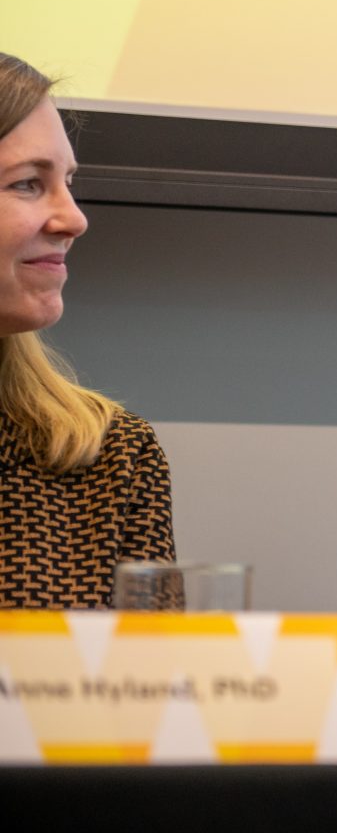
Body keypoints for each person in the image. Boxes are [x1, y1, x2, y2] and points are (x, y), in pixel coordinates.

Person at [0, 52, 174, 608]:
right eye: (28, 184)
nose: (74, 218)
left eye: (69, 183)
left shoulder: (112, 455)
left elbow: (152, 687)